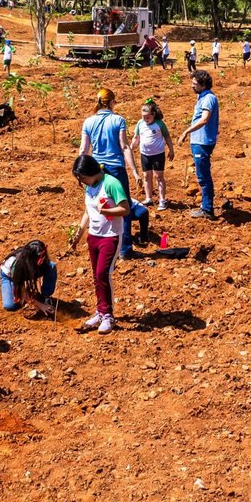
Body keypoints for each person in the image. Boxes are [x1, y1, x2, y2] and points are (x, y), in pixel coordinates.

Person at [79, 88, 152, 252]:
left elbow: (83, 150)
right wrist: (135, 172)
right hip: (116, 169)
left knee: (99, 204)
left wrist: (80, 172)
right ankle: (125, 249)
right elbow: (125, 146)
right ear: (112, 102)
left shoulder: (88, 122)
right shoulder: (118, 120)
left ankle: (104, 242)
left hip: (96, 170)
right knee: (123, 206)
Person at [68, 154, 130, 334]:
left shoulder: (111, 183)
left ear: (90, 172)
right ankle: (100, 312)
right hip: (93, 236)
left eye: (82, 178)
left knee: (103, 274)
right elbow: (87, 212)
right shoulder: (90, 186)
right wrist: (78, 234)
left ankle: (108, 315)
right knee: (96, 276)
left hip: (110, 236)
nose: (81, 182)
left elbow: (125, 209)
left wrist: (107, 211)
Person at [177, 69, 219, 220]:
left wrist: (186, 131)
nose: (192, 86)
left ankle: (207, 209)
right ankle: (206, 206)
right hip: (199, 140)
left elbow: (204, 119)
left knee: (203, 177)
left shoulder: (208, 98)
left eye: (195, 84)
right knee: (202, 175)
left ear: (203, 85)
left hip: (202, 141)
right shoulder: (202, 96)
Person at [130, 99, 173, 211]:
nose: (145, 119)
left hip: (158, 154)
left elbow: (167, 136)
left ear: (153, 114)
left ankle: (162, 200)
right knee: (146, 176)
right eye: (143, 116)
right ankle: (148, 197)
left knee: (158, 176)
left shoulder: (159, 124)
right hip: (145, 154)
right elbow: (136, 138)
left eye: (147, 117)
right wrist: (130, 148)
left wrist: (171, 150)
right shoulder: (140, 123)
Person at [0, 239, 57, 316]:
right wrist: (40, 305)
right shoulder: (17, 265)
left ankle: (46, 296)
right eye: (40, 258)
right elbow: (21, 289)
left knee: (51, 266)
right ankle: (21, 295)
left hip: (30, 270)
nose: (43, 259)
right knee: (10, 305)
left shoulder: (39, 260)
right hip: (10, 277)